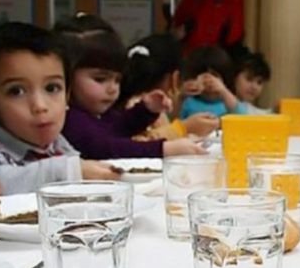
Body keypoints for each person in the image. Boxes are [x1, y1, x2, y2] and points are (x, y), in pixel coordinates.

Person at [0, 22, 118, 194]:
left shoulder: (55, 143)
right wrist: (66, 172)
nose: (40, 106)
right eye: (16, 91)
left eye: (52, 88)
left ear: (67, 95)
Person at [55, 14, 204, 159]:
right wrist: (163, 149)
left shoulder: (99, 113)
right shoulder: (69, 118)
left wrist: (146, 110)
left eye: (118, 80)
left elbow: (119, 127)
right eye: (100, 79)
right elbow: (106, 148)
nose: (112, 88)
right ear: (65, 75)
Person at [120, 34, 219, 141]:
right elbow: (144, 144)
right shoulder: (139, 107)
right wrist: (185, 128)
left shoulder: (139, 103)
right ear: (174, 78)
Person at [180, 46, 238, 119]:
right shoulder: (188, 102)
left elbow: (241, 117)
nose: (208, 81)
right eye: (202, 76)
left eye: (214, 75)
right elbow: (172, 122)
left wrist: (224, 91)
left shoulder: (229, 103)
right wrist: (180, 96)